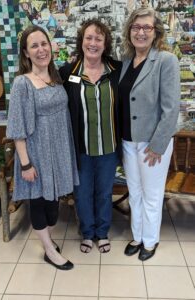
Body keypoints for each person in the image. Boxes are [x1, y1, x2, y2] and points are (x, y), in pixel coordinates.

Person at [6, 25, 79, 270]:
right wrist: (25, 163)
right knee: (39, 203)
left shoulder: (57, 76)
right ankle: (49, 249)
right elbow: (16, 128)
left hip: (58, 151)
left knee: (53, 207)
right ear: (26, 53)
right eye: (34, 46)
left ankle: (48, 239)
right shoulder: (22, 84)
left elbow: (79, 89)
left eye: (44, 44)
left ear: (51, 46)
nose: (40, 50)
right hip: (35, 155)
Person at [119, 7, 180, 261]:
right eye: (136, 27)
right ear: (129, 31)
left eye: (147, 27)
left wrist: (158, 144)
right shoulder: (124, 61)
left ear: (156, 33)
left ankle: (151, 241)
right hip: (128, 141)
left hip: (152, 143)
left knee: (152, 195)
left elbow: (171, 107)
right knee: (134, 192)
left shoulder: (166, 61)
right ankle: (137, 236)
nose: (141, 32)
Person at [59, 19, 122, 254]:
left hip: (109, 148)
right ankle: (87, 233)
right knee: (83, 194)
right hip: (81, 149)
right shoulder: (68, 72)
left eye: (98, 38)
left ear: (105, 44)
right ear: (81, 41)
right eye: (88, 38)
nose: (93, 43)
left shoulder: (117, 70)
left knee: (104, 193)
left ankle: (102, 232)